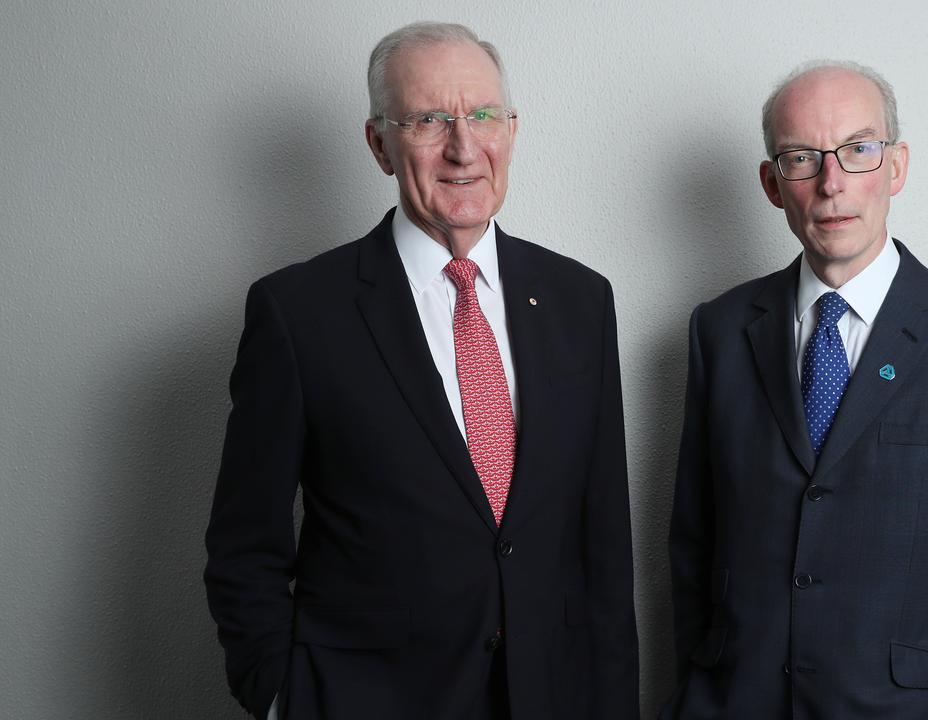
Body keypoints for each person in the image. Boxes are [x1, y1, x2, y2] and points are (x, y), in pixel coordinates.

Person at [204, 22, 638, 720]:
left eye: (484, 116)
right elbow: (244, 545)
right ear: (380, 143)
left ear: (512, 130)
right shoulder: (298, 312)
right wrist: (282, 694)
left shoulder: (580, 301)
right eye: (430, 119)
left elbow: (603, 552)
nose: (464, 147)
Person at [665, 62, 928, 720]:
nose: (832, 184)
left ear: (896, 167)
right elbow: (693, 550)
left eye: (858, 150)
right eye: (802, 158)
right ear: (773, 184)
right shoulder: (719, 331)